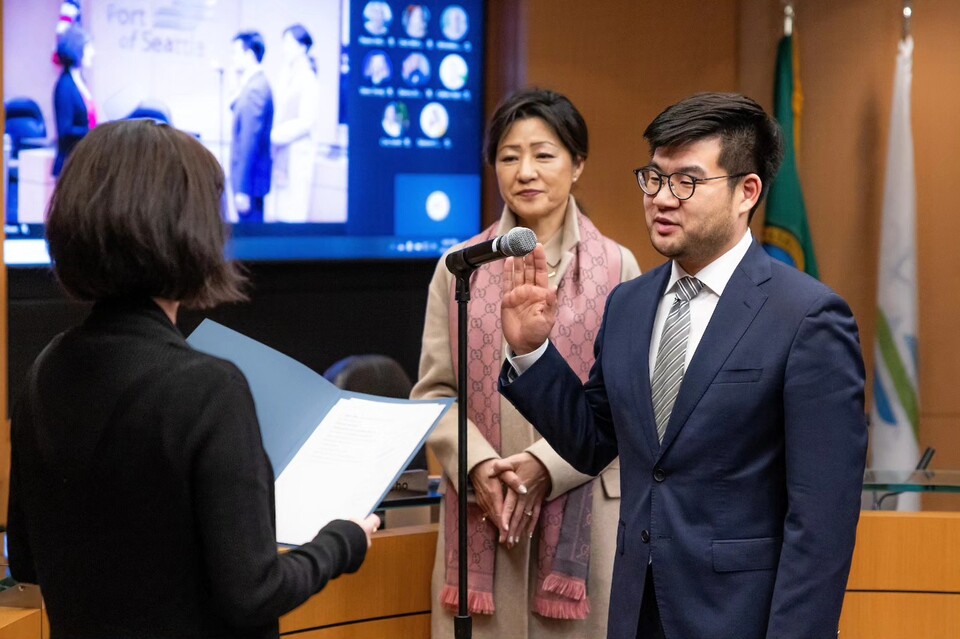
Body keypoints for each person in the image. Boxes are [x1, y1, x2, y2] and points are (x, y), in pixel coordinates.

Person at [496, 92, 868, 639]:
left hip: (742, 617)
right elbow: (593, 442)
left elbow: (822, 524)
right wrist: (532, 352)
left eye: (686, 182)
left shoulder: (808, 317)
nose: (662, 199)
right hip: (636, 610)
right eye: (653, 177)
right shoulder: (629, 304)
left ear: (747, 192)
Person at [6, 119, 380, 639]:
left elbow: (25, 561)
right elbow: (255, 592)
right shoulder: (207, 388)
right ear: (190, 230)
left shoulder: (43, 371)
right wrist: (344, 540)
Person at [411, 88, 641, 639]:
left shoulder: (619, 267)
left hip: (584, 514)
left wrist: (546, 465)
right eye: (509, 156)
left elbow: (632, 404)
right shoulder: (458, 267)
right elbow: (434, 393)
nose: (525, 171)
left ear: (578, 163)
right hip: (480, 510)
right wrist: (479, 466)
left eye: (544, 154)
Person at [268, 24, 320, 223]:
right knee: (279, 214)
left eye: (288, 43)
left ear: (302, 47)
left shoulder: (308, 78)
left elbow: (306, 121)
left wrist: (274, 135)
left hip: (296, 155)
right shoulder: (286, 74)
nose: (284, 48)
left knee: (293, 215)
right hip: (281, 152)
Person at [230, 31, 274, 223]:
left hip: (250, 184)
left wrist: (242, 189)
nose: (233, 59)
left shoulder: (256, 88)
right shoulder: (251, 84)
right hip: (250, 182)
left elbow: (250, 140)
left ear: (249, 55)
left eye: (235, 53)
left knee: (250, 246)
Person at [52, 24, 96, 177]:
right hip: (68, 163)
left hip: (81, 159)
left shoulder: (80, 80)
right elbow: (65, 130)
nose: (93, 53)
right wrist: (93, 132)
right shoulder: (64, 86)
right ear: (78, 49)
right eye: (89, 47)